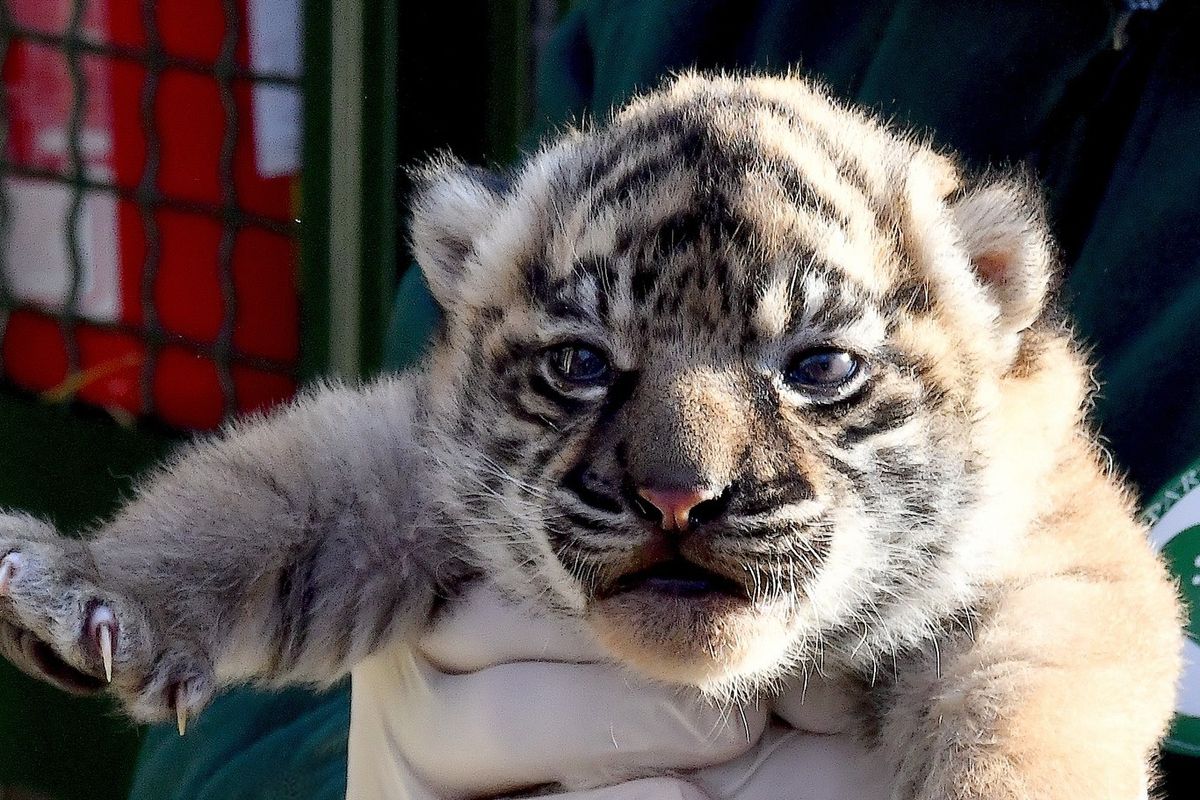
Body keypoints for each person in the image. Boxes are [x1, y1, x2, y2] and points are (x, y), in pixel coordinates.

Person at [129, 1, 1199, 797]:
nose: (680, 481)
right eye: (588, 363)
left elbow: (1077, 624)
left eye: (818, 369)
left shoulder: (1035, 502)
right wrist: (343, 768)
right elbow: (219, 744)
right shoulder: (676, 22)